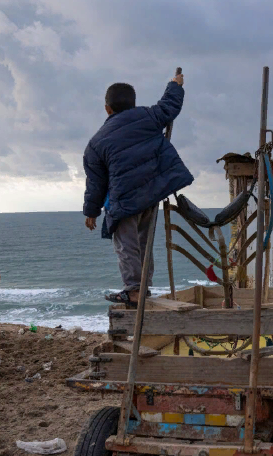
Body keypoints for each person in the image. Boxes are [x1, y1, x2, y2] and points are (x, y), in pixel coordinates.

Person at [82, 73, 194, 307]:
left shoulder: (96, 143)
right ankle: (143, 287)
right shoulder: (147, 116)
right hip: (151, 194)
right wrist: (174, 85)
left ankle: (133, 291)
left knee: (126, 245)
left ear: (107, 109)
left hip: (123, 201)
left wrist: (91, 212)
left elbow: (96, 183)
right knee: (144, 243)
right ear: (133, 104)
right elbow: (169, 106)